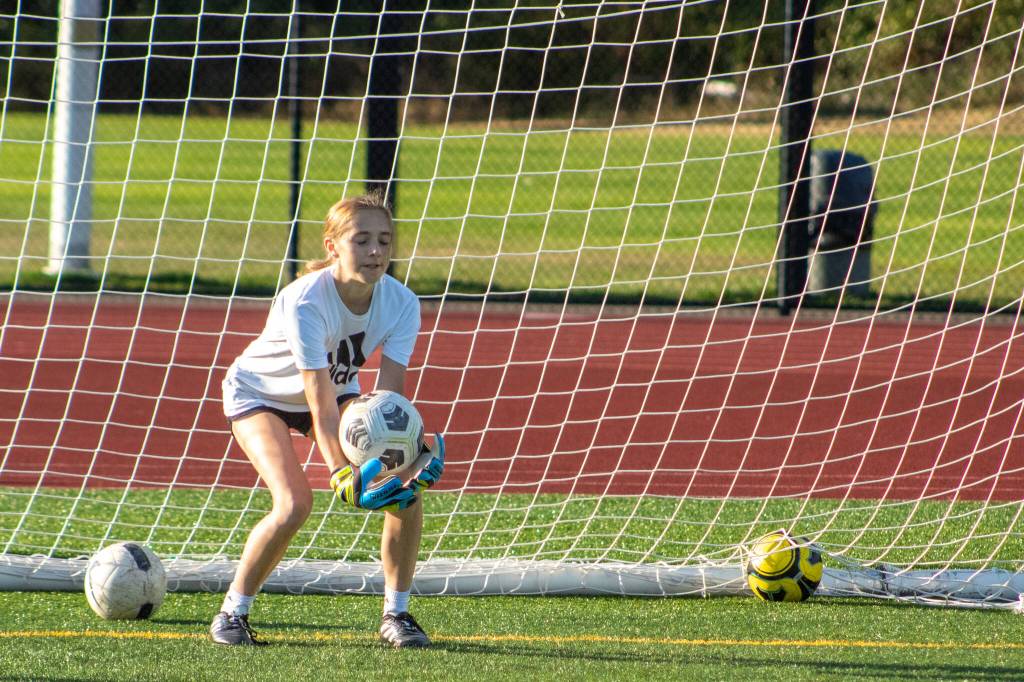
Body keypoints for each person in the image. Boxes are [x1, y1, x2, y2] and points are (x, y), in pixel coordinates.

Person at [212, 192, 445, 648]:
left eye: (384, 239)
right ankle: (231, 614)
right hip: (259, 394)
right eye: (362, 240)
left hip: (337, 396)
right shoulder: (305, 301)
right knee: (295, 503)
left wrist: (408, 456)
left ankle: (396, 616)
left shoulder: (402, 303)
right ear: (333, 246)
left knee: (405, 495)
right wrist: (341, 470)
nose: (376, 250)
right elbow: (318, 400)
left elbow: (389, 396)